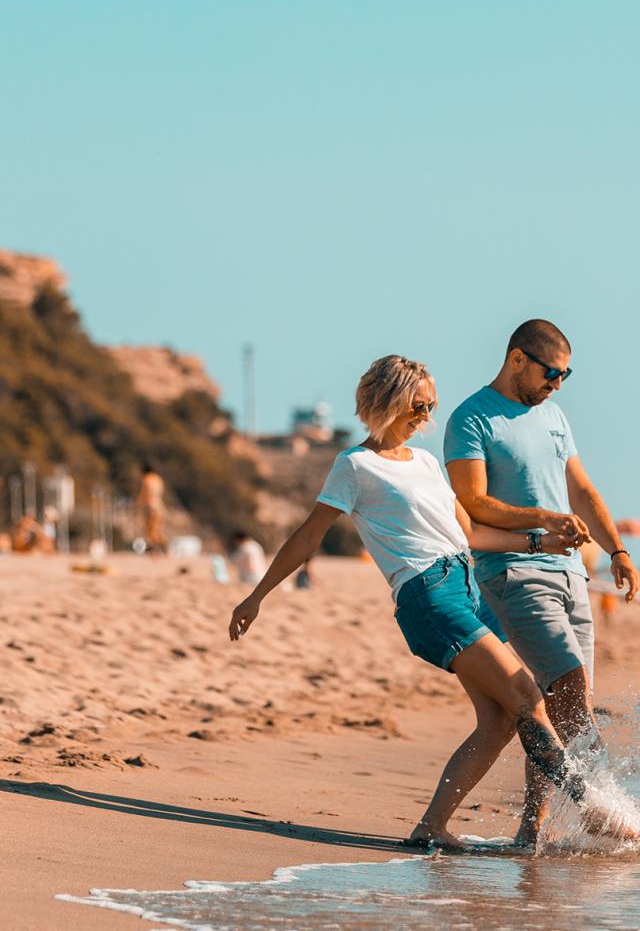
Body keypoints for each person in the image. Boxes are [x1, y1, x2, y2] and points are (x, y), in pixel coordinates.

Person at [229, 355, 634, 850]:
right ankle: (594, 807)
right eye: (421, 404)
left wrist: (539, 542)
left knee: (502, 719)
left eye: (432, 405)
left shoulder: (423, 462)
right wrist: (257, 595)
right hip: (427, 595)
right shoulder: (355, 465)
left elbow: (468, 533)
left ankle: (431, 827)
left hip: (466, 584)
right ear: (390, 399)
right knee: (527, 696)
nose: (428, 414)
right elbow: (308, 536)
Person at [444, 319, 640, 846]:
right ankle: (606, 803)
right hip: (513, 572)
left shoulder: (553, 416)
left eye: (565, 375)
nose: (557, 385)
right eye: (551, 373)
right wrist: (543, 520)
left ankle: (530, 831)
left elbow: (580, 489)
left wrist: (618, 550)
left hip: (571, 576)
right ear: (517, 359)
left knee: (563, 701)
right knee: (571, 685)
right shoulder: (471, 418)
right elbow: (473, 504)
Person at [137, 463, 167, 555]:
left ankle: (155, 551)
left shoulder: (146, 479)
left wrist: (138, 505)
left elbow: (143, 494)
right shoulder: (158, 479)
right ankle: (164, 547)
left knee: (150, 531)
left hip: (151, 506)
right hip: (160, 505)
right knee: (157, 530)